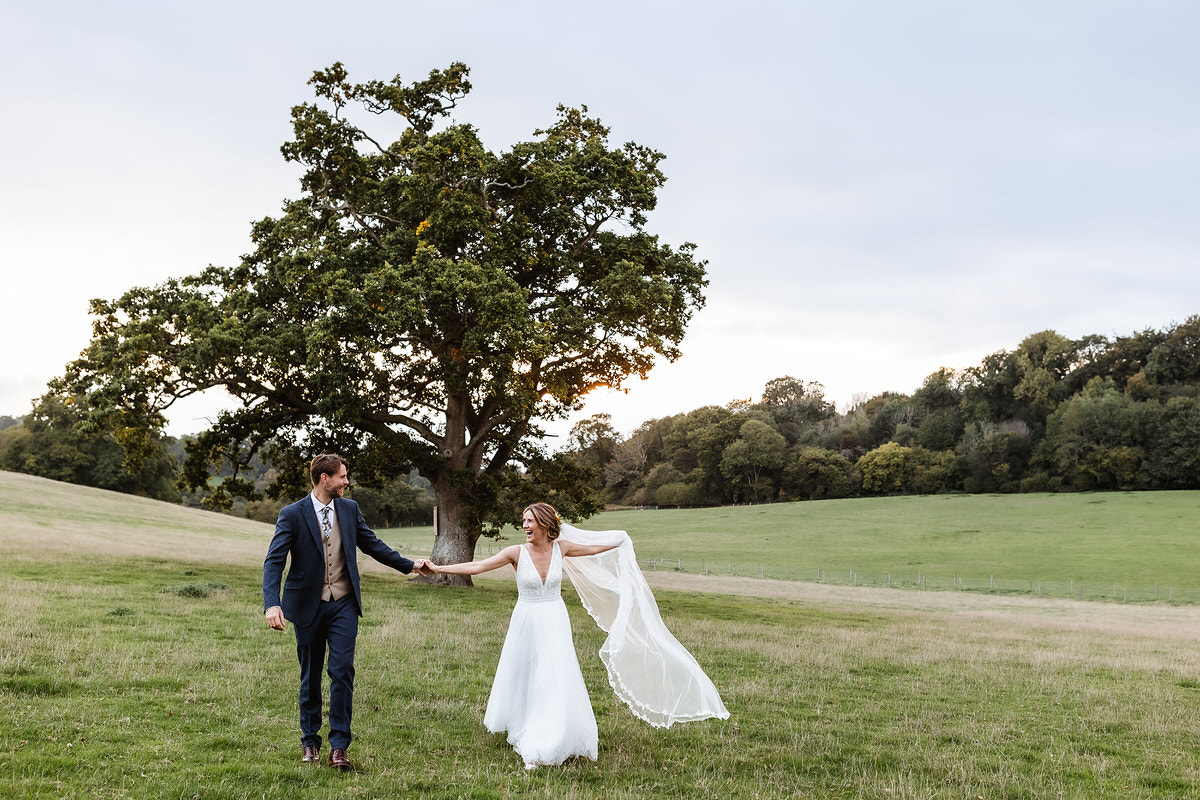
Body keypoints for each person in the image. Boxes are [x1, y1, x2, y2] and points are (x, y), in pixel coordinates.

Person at [428, 502, 729, 769]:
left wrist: (621, 538)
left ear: (545, 524)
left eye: (530, 520)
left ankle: (556, 736)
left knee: (556, 676)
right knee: (529, 674)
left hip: (555, 619)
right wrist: (438, 567)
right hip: (527, 619)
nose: (525, 526)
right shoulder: (515, 552)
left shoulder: (563, 548)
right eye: (524, 520)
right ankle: (526, 727)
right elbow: (478, 566)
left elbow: (598, 548)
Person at [263, 453, 431, 770]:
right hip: (306, 606)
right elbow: (274, 562)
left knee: (342, 672)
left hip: (344, 603)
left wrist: (409, 565)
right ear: (324, 478)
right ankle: (310, 741)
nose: (346, 481)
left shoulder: (349, 509)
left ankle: (339, 746)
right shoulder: (292, 514)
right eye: (341, 476)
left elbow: (372, 544)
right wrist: (272, 603)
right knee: (310, 675)